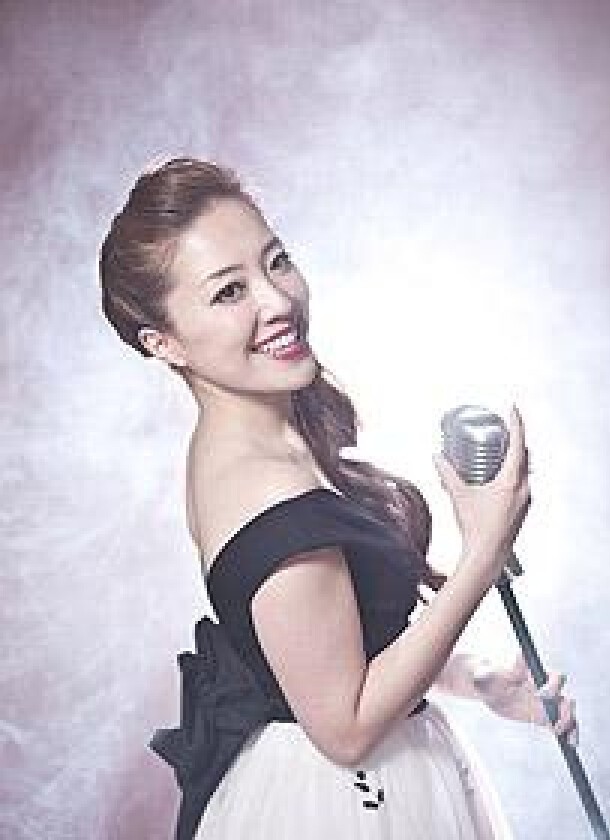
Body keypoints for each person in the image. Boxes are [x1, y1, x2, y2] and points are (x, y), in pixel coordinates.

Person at [99, 157, 578, 839]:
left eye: (276, 262)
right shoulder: (260, 485)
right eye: (229, 292)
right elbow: (345, 728)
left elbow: (328, 650)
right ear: (164, 342)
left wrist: (474, 678)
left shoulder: (270, 437)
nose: (277, 301)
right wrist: (483, 554)